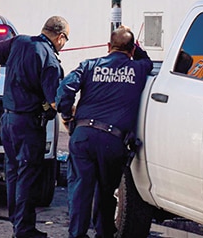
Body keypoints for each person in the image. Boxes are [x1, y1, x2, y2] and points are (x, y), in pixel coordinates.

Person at [56, 26, 153, 238]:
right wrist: (136, 48)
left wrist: (66, 115)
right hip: (113, 141)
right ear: (131, 50)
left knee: (80, 191)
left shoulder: (90, 65)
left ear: (109, 46)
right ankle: (103, 233)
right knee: (106, 192)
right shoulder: (139, 68)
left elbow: (65, 89)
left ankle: (77, 235)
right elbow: (148, 61)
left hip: (83, 136)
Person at [0, 16, 68, 238]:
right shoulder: (50, 61)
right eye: (65, 40)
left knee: (13, 172)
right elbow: (54, 102)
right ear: (60, 37)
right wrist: (71, 119)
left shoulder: (19, 42)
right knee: (27, 175)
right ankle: (23, 229)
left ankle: (17, 222)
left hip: (8, 120)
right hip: (29, 124)